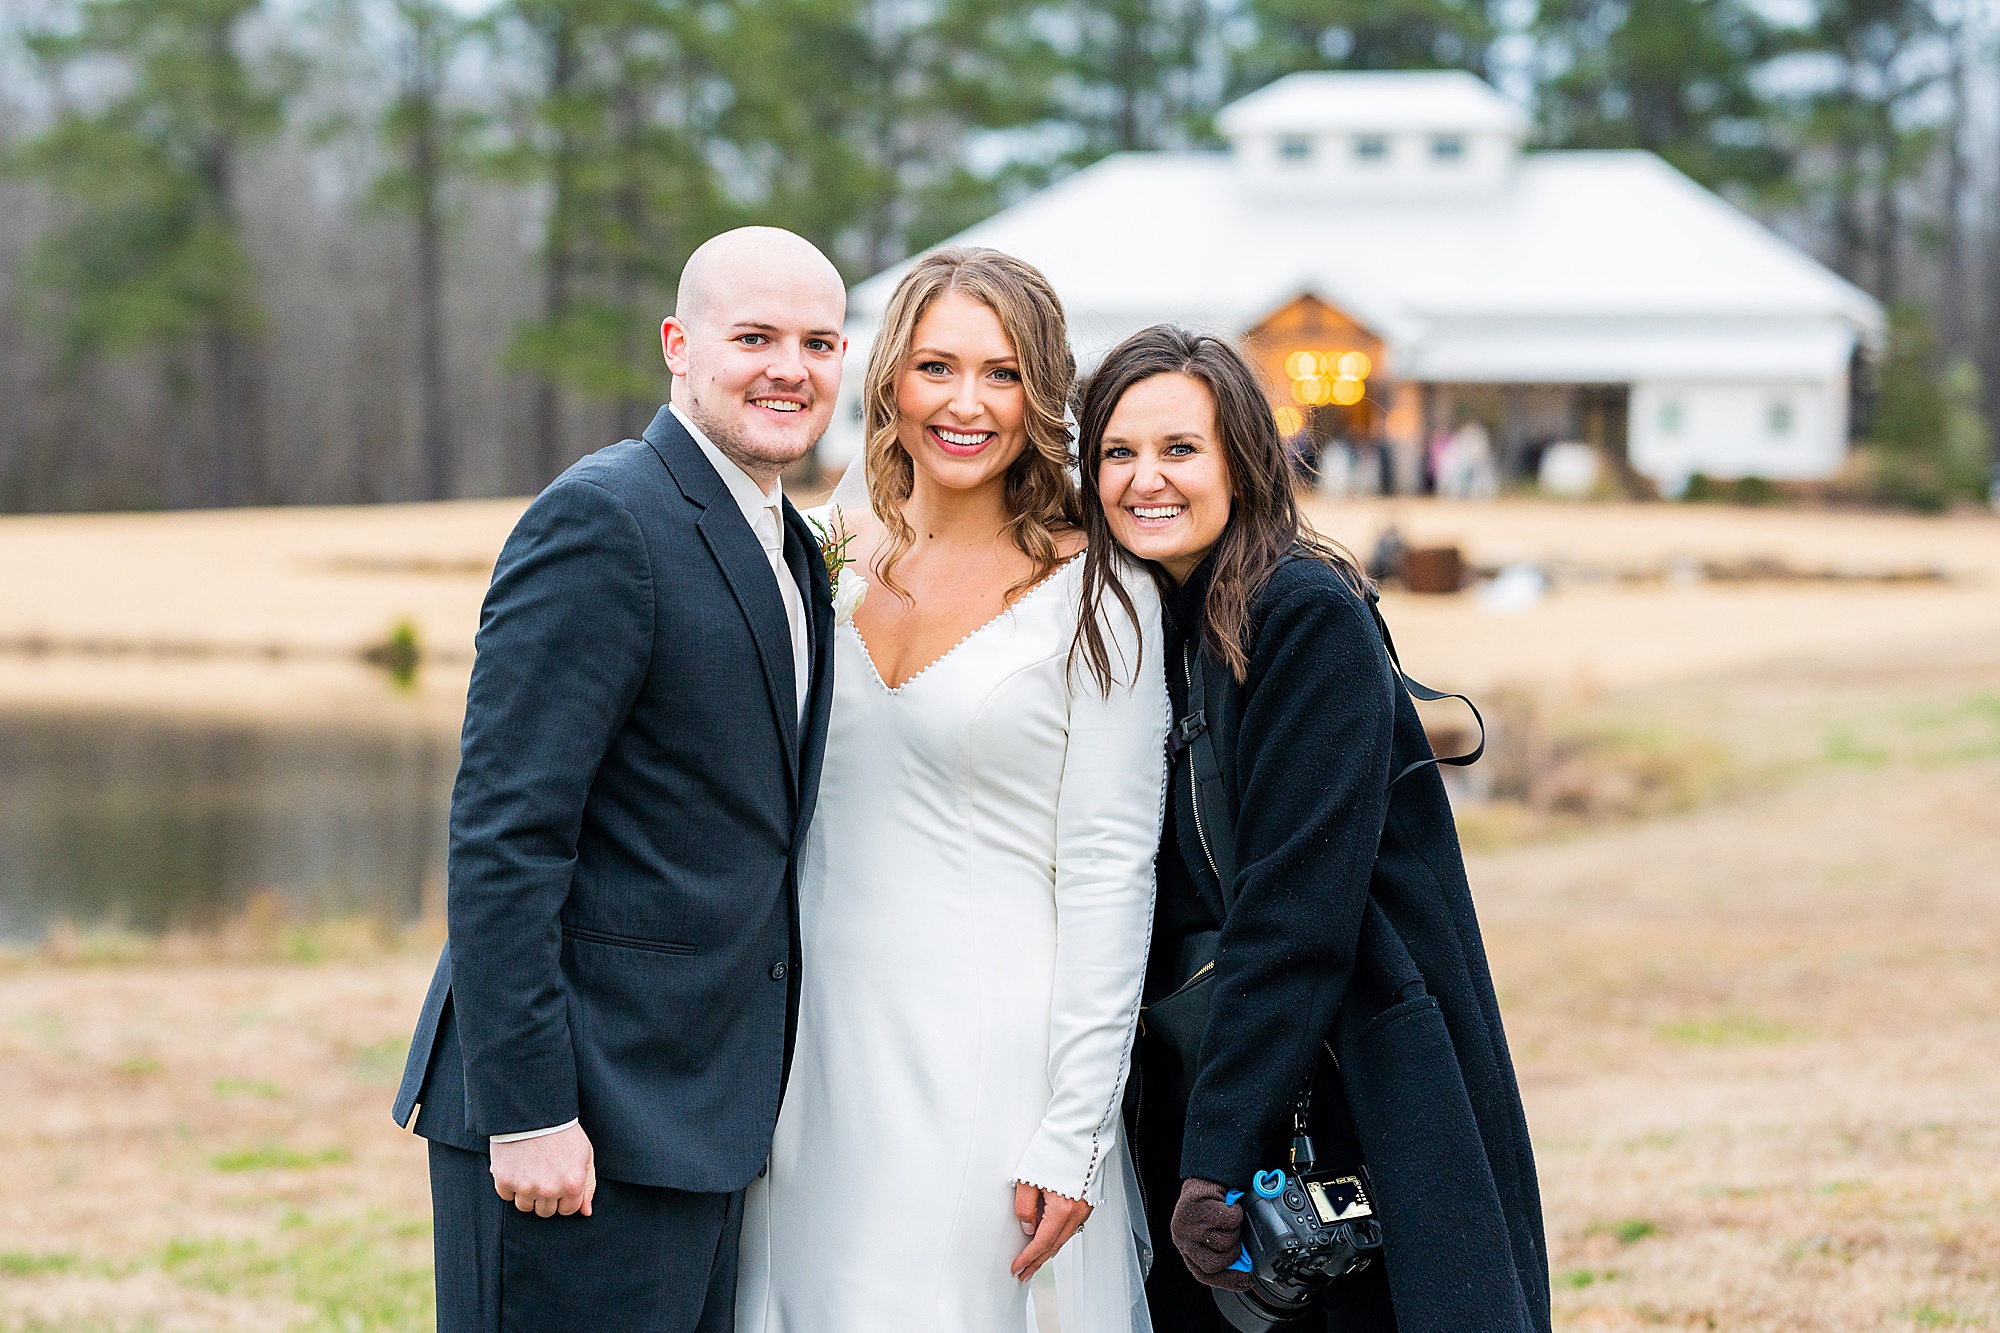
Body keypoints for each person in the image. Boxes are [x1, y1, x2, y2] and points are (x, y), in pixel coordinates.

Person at [390, 226, 847, 1333]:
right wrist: (529, 1111)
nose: (790, 368)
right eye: (754, 338)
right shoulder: (604, 517)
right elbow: (504, 834)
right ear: (678, 346)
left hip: (700, 1117)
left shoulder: (786, 541)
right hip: (578, 1122)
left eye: (818, 343)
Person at [1074, 325, 1551, 1333]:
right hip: (1227, 1075)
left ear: (1242, 461)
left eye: (1179, 448)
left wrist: (1213, 1158)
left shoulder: (1301, 614)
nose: (1145, 478)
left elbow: (1295, 912)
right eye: (1118, 452)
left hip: (1341, 1084)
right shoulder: (1159, 615)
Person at [734, 247, 1167, 1332]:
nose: (965, 403)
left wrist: (1076, 1127)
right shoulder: (819, 553)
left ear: (1042, 394)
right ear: (890, 379)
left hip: (985, 1050)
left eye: (1002, 373)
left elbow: (1111, 870)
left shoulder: (1099, 593)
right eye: (937, 366)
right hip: (804, 1044)